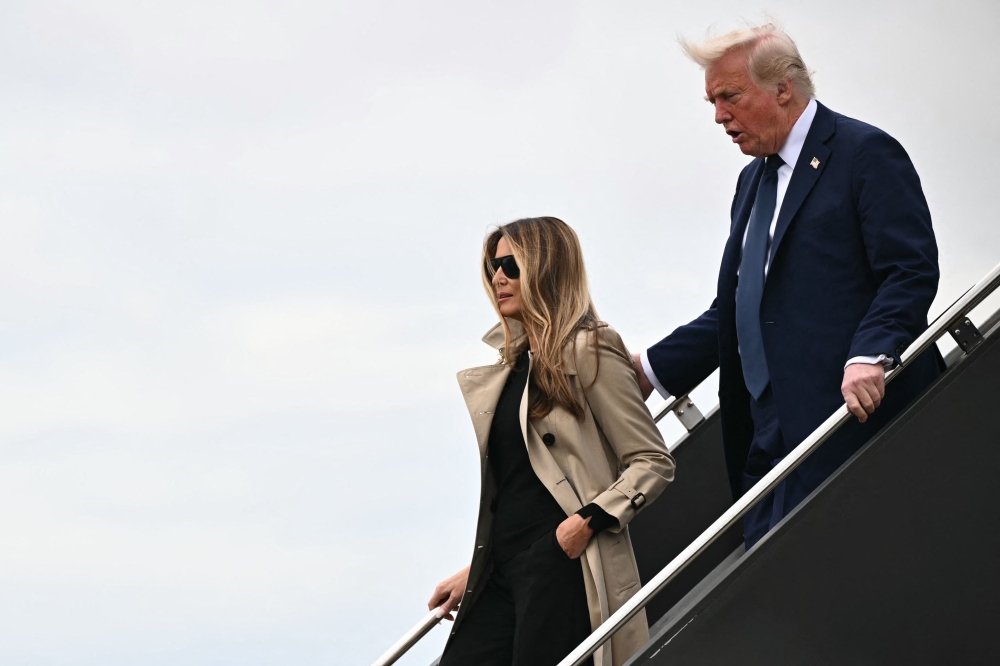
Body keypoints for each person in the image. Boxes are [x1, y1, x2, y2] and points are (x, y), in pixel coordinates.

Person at [632, 24, 942, 549]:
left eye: (729, 97)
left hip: (849, 421)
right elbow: (741, 305)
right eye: (712, 101)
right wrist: (648, 370)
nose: (718, 116)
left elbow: (909, 270)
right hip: (766, 433)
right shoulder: (752, 181)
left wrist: (871, 352)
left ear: (782, 88)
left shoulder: (864, 152)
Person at [429, 217, 675, 666]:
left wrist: (583, 524)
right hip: (502, 572)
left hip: (559, 563)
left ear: (546, 267)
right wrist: (478, 570)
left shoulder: (590, 347)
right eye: (492, 267)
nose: (498, 278)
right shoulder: (513, 367)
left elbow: (651, 460)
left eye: (511, 265)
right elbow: (518, 490)